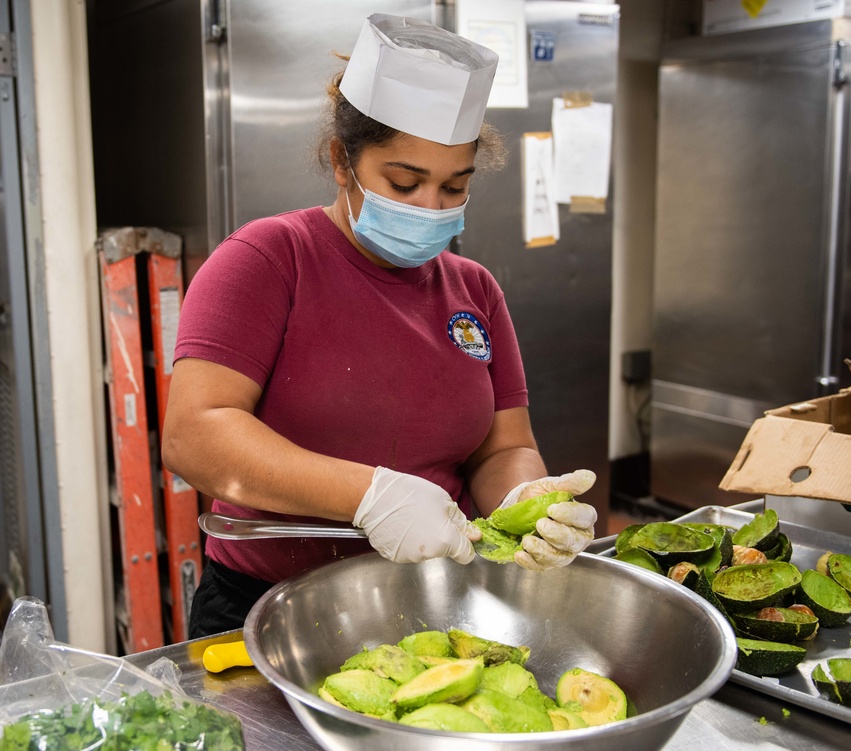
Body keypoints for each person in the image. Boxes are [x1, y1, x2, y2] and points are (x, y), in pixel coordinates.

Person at [161, 14, 598, 640]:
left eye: (454, 187)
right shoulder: (267, 259)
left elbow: (503, 448)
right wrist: (369, 496)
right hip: (268, 607)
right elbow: (194, 436)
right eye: (404, 181)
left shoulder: (473, 290)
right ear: (343, 162)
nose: (429, 208)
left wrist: (523, 503)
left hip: (437, 601)